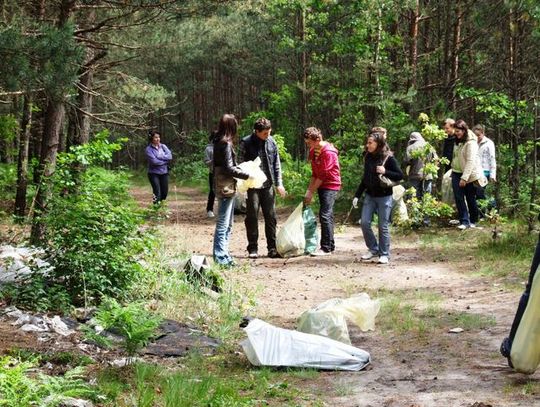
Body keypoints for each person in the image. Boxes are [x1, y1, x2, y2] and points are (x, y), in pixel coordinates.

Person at [238, 118, 287, 259]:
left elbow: (276, 164)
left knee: (271, 217)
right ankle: (253, 248)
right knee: (252, 216)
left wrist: (279, 183)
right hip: (252, 186)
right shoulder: (246, 142)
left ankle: (272, 248)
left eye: (269, 132)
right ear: (257, 132)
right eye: (265, 133)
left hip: (268, 186)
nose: (268, 135)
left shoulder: (272, 142)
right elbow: (239, 165)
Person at [353, 132, 403, 264]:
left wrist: (385, 171)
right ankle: (373, 249)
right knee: (364, 223)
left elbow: (399, 175)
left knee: (383, 226)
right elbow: (365, 178)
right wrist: (357, 195)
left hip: (384, 196)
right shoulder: (368, 156)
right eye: (367, 142)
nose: (367, 145)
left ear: (378, 144)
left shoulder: (389, 158)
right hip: (370, 195)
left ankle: (384, 253)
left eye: (370, 143)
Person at [212, 114, 252, 267]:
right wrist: (247, 174)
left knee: (227, 224)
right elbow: (229, 168)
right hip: (226, 187)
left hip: (223, 185)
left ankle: (224, 254)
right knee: (224, 224)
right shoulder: (225, 143)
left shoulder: (218, 141)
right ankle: (221, 257)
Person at [303, 127, 341, 256]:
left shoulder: (329, 152)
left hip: (331, 185)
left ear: (317, 139)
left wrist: (311, 192)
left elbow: (323, 175)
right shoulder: (314, 151)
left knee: (325, 214)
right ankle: (330, 245)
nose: (308, 145)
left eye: (309, 143)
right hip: (321, 184)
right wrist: (309, 191)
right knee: (326, 214)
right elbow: (315, 174)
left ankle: (326, 248)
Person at [450, 119, 485, 230]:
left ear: (464, 130)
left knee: (470, 198)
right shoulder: (456, 141)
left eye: (459, 131)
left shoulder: (471, 142)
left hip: (469, 174)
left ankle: (474, 220)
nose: (457, 133)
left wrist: (464, 178)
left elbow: (470, 161)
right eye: (455, 131)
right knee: (459, 197)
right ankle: (464, 221)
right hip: (456, 172)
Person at [473, 124, 497, 215]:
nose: (477, 137)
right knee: (476, 194)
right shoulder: (473, 143)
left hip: (485, 171)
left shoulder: (489, 143)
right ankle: (480, 213)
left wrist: (492, 174)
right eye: (475, 135)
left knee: (480, 193)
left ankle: (490, 210)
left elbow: (492, 159)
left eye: (478, 135)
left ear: (482, 133)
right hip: (475, 171)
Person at [405, 131, 436, 200]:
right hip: (428, 173)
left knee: (413, 195)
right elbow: (436, 160)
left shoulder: (410, 147)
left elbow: (407, 161)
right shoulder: (428, 145)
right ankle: (425, 209)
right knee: (427, 195)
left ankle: (413, 210)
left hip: (414, 174)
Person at [145, 130, 172, 205]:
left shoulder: (163, 146)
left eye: (159, 137)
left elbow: (170, 156)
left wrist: (160, 157)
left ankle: (161, 206)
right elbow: (154, 162)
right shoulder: (148, 149)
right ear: (151, 139)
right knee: (157, 192)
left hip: (164, 173)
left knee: (164, 192)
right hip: (153, 174)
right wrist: (165, 161)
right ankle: (156, 209)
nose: (158, 139)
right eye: (156, 137)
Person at [204, 132, 216, 218]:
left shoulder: (224, 146)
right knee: (213, 191)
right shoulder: (208, 149)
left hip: (223, 173)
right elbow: (206, 162)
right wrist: (213, 160)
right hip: (213, 173)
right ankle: (209, 209)